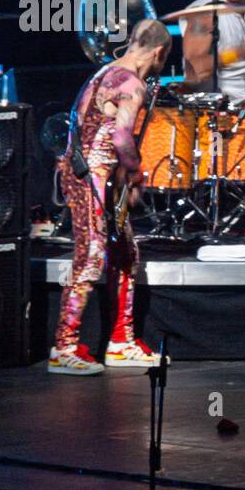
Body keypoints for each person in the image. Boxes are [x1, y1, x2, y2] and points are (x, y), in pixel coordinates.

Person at [50, 19, 172, 375]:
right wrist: (135, 173)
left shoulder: (105, 71)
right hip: (93, 177)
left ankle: (121, 342)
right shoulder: (132, 83)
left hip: (93, 176)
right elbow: (120, 138)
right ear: (160, 52)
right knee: (90, 257)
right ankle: (64, 347)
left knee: (124, 253)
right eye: (161, 61)